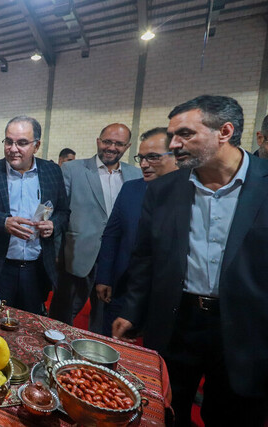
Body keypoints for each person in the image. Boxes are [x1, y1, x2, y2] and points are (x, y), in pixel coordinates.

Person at [113, 95, 268, 426]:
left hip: (246, 327)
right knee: (167, 410)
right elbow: (145, 258)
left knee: (234, 415)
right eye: (172, 135)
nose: (174, 144)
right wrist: (131, 311)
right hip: (176, 321)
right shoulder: (164, 189)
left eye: (184, 134)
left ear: (224, 131)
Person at [0, 116, 69, 314]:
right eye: (8, 141)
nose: (13, 149)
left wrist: (54, 225)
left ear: (36, 145)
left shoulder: (52, 172)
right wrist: (2, 222)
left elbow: (64, 212)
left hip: (36, 268)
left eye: (22, 143)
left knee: (30, 327)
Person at [49, 123, 141, 333]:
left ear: (127, 147)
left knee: (102, 322)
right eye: (107, 141)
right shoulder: (73, 169)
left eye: (118, 143)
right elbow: (59, 212)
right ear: (98, 141)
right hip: (76, 257)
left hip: (116, 261)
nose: (111, 147)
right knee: (62, 318)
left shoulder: (135, 176)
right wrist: (55, 252)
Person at [94, 127, 177, 336]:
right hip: (123, 286)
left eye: (153, 157)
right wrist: (104, 277)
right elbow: (112, 235)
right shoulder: (131, 189)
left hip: (165, 294)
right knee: (111, 342)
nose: (144, 164)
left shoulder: (190, 195)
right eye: (141, 157)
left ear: (176, 156)